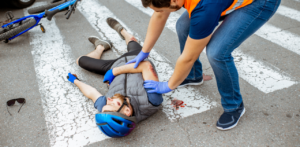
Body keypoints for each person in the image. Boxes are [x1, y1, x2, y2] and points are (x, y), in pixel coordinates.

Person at [125, 0, 281, 130]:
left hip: (259, 2)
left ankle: (234, 106)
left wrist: (169, 85)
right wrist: (145, 51)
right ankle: (193, 75)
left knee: (217, 52)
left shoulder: (205, 8)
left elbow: (188, 57)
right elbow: (160, 14)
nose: (163, 12)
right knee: (183, 26)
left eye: (166, 8)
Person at [67, 17, 163, 137]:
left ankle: (101, 46)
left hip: (113, 66)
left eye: (107, 103)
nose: (108, 99)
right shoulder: (151, 101)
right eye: (112, 103)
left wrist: (75, 81)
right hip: (135, 59)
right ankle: (122, 31)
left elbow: (92, 93)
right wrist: (115, 72)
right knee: (132, 40)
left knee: (80, 60)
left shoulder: (107, 109)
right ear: (127, 111)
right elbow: (145, 66)